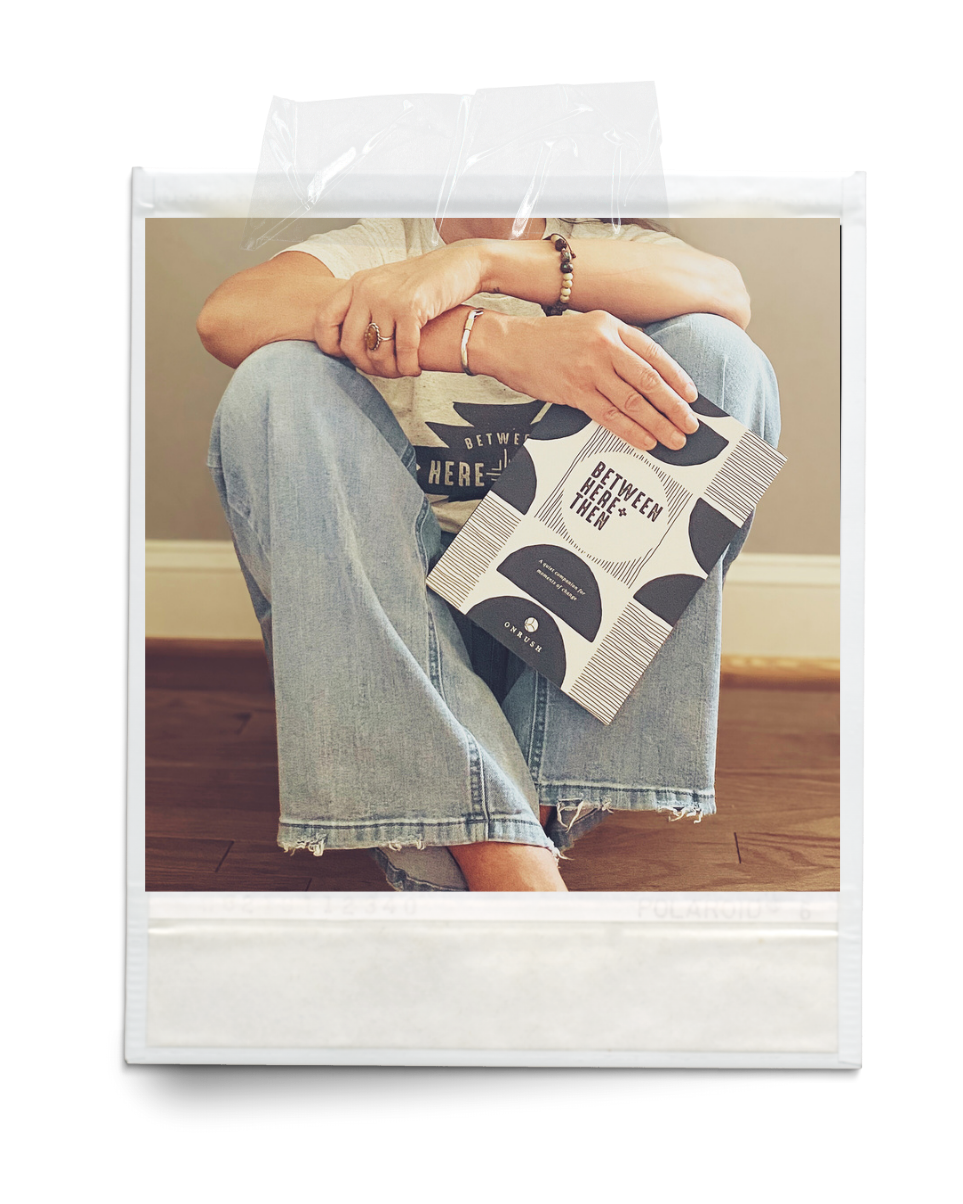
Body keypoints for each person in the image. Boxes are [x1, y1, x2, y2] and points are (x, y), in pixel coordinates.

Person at [197, 215, 780, 892]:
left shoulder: (604, 241)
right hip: (397, 626)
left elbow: (725, 292)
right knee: (274, 379)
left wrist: (481, 264)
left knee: (718, 352)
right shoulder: (387, 245)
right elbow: (228, 316)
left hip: (564, 644)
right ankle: (505, 847)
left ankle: (492, 810)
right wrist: (492, 340)